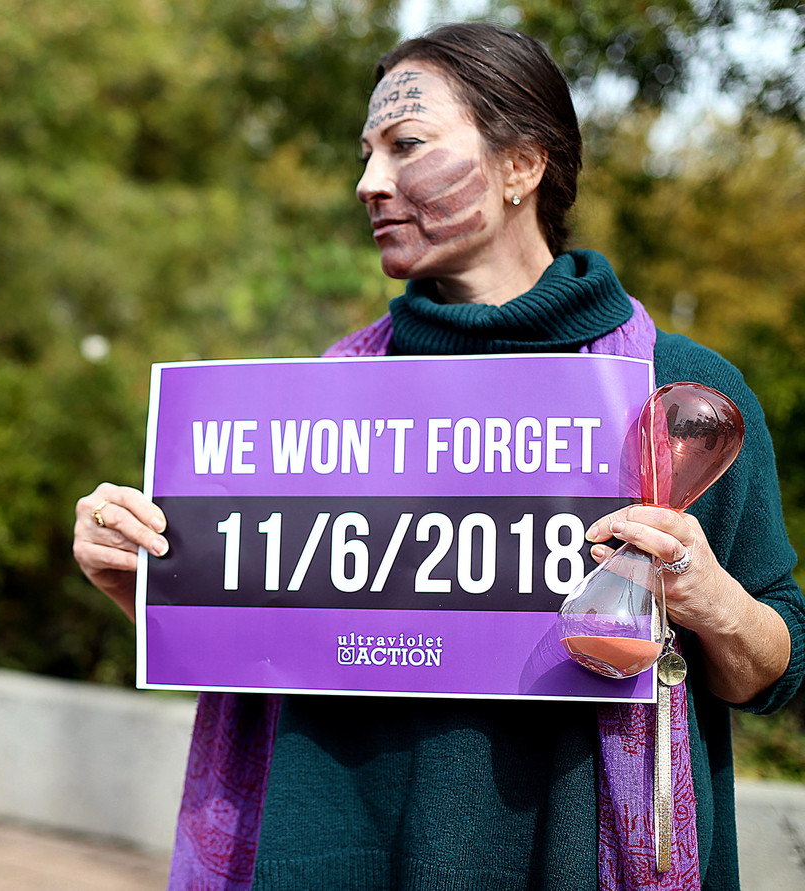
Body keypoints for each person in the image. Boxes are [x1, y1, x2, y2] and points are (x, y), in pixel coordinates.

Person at [73, 22, 805, 891]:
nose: (368, 182)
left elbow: (777, 665)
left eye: (407, 144)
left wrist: (712, 601)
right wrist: (146, 581)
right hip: (331, 859)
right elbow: (260, 649)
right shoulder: (312, 399)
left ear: (521, 165)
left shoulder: (679, 402)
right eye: (366, 153)